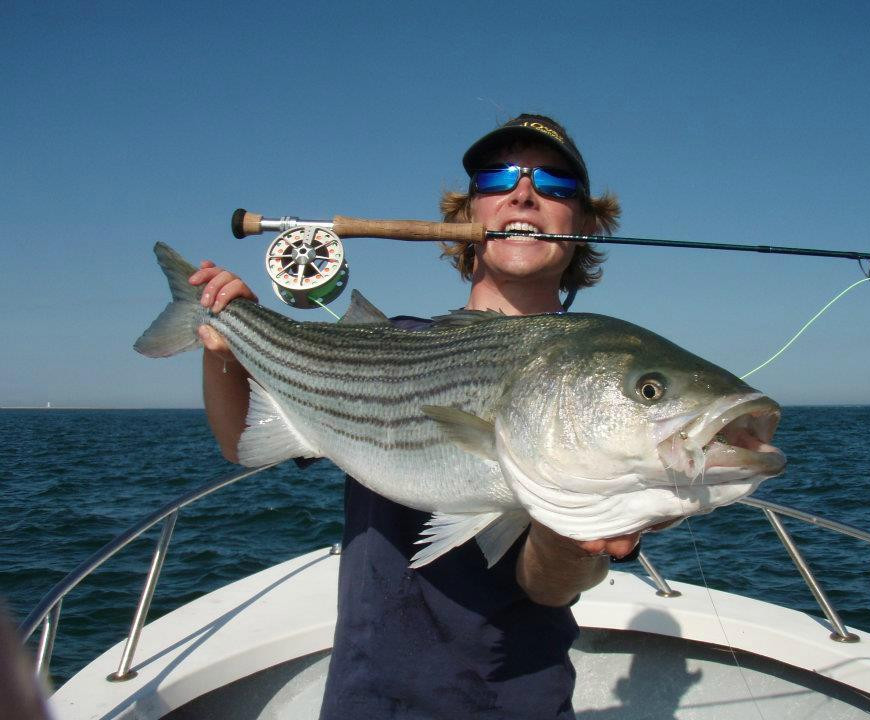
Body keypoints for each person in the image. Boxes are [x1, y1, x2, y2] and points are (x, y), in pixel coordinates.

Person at [192, 114, 638, 719]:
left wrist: (576, 528)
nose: (525, 192)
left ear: (585, 224)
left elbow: (549, 587)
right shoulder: (394, 342)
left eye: (556, 184)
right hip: (370, 696)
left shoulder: (599, 377)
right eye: (498, 177)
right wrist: (231, 342)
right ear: (467, 218)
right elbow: (235, 441)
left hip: (522, 699)